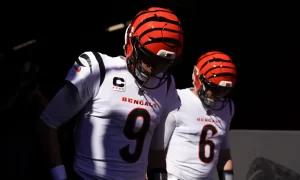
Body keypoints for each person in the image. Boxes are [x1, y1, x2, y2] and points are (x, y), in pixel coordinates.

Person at [39, 7, 184, 180]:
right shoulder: (99, 68)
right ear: (132, 42)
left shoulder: (166, 85)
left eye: (163, 62)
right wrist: (59, 177)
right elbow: (48, 122)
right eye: (149, 58)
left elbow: (156, 150)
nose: (155, 68)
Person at [163, 51, 236, 180]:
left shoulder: (227, 107)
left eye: (223, 90)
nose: (218, 94)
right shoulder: (177, 99)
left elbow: (224, 153)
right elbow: (157, 148)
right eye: (213, 88)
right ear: (197, 77)